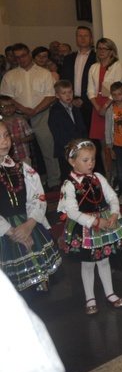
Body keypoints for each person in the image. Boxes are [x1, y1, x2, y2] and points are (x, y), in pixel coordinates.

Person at [58, 139, 122, 314]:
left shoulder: (98, 177)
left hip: (104, 224)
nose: (91, 163)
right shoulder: (69, 185)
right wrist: (95, 222)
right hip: (85, 228)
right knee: (88, 264)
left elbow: (112, 197)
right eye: (85, 160)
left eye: (92, 159)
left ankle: (110, 293)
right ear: (72, 161)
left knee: (104, 261)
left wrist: (114, 213)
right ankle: (90, 297)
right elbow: (72, 212)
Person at [0, 121, 61, 292]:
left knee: (34, 287)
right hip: (5, 231)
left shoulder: (22, 168)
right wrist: (13, 232)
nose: (4, 142)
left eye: (6, 135)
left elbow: (38, 197)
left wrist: (29, 225)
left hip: (27, 223)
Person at [0, 43, 60, 189]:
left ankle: (54, 182)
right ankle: (18, 183)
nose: (21, 59)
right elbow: (7, 98)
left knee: (48, 148)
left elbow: (51, 95)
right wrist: (24, 109)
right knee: (17, 151)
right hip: (17, 117)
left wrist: (35, 110)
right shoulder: (10, 75)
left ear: (29, 53)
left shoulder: (44, 73)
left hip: (42, 114)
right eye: (17, 57)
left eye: (24, 55)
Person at [87, 38, 122, 169]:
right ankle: (109, 176)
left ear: (111, 51)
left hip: (112, 104)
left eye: (105, 49)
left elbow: (117, 88)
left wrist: (105, 106)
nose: (101, 51)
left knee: (114, 143)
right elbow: (90, 90)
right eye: (99, 48)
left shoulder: (117, 65)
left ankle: (119, 176)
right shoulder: (94, 67)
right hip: (97, 106)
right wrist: (98, 107)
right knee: (103, 145)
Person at [48, 80, 87, 180]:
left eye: (70, 92)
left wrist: (84, 142)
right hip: (65, 150)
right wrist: (70, 146)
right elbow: (57, 132)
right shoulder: (55, 111)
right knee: (68, 176)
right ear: (57, 95)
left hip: (79, 148)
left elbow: (82, 127)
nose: (68, 95)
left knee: (80, 174)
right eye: (64, 93)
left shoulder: (75, 108)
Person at [60, 26, 97, 132]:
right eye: (80, 36)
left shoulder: (96, 58)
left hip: (90, 103)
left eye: (86, 36)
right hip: (70, 103)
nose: (83, 38)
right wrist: (71, 99)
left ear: (91, 39)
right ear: (76, 39)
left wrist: (83, 100)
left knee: (92, 137)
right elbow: (64, 81)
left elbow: (97, 83)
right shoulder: (68, 59)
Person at [0, 95, 34, 166]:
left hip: (23, 157)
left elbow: (31, 136)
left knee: (27, 175)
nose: (8, 108)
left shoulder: (21, 121)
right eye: (4, 106)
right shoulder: (1, 125)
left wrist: (21, 140)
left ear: (15, 107)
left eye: (11, 106)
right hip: (7, 159)